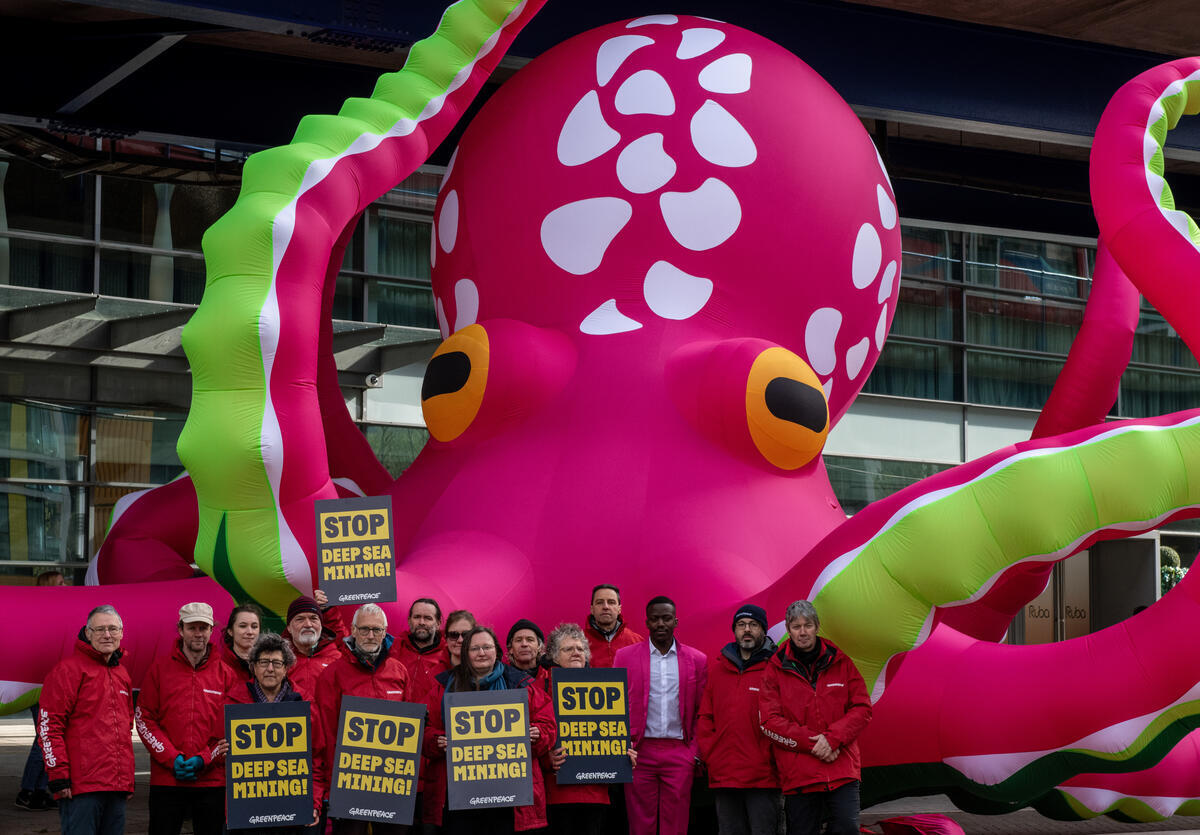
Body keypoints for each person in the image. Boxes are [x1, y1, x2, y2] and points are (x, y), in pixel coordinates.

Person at [423, 626, 556, 834]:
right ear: (465, 653)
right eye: (475, 648)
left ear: (497, 651)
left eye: (487, 647)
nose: (482, 653)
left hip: (510, 798)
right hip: (460, 797)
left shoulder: (519, 684)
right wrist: (436, 740)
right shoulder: (443, 687)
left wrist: (538, 733)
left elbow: (548, 724)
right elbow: (423, 729)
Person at [758, 600, 871, 835]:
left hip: (841, 767)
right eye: (796, 626)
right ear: (788, 630)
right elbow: (769, 722)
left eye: (807, 625)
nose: (802, 632)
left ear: (817, 626)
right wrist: (814, 742)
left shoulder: (841, 661)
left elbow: (862, 707)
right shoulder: (775, 669)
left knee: (847, 828)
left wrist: (832, 739)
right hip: (800, 774)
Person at [136, 602, 238, 835]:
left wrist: (204, 758)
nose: (198, 633)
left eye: (204, 627)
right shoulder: (159, 669)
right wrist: (172, 758)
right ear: (180, 629)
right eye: (192, 628)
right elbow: (145, 719)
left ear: (212, 631)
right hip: (167, 779)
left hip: (212, 781)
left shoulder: (226, 674)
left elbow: (230, 728)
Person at [314, 603, 411, 835]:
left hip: (391, 783)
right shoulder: (332, 674)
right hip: (350, 783)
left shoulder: (398, 670)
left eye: (377, 630)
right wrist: (331, 787)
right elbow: (327, 734)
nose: (370, 635)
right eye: (365, 629)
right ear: (353, 630)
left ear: (385, 632)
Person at [614, 596, 707, 835]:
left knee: (675, 823)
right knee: (639, 822)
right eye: (655, 619)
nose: (660, 624)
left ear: (676, 621)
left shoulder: (697, 660)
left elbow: (702, 710)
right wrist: (623, 745)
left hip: (679, 750)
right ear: (647, 622)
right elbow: (616, 707)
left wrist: (693, 752)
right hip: (638, 752)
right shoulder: (624, 657)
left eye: (666, 618)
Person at [41, 604, 135, 835]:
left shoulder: (122, 673)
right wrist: (59, 776)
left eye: (113, 629)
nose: (107, 635)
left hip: (116, 786)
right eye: (100, 629)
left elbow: (125, 728)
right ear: (88, 632)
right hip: (80, 787)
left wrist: (127, 779)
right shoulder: (68, 671)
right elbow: (49, 727)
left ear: (122, 633)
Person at [697, 604, 780, 835]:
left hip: (763, 776)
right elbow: (705, 716)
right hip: (724, 773)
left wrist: (771, 756)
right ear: (734, 630)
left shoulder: (776, 669)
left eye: (753, 625)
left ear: (763, 630)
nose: (747, 630)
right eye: (741, 625)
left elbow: (785, 718)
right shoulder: (718, 670)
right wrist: (711, 754)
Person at [227, 633, 319, 833]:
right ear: (253, 666)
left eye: (277, 663)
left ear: (286, 668)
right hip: (247, 812)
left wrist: (314, 801)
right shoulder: (233, 702)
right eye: (263, 662)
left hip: (292, 812)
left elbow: (317, 758)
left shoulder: (305, 704)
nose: (270, 669)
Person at [540, 622, 617, 835]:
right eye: (568, 649)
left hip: (596, 793)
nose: (576, 652)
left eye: (580, 649)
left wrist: (623, 753)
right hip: (557, 792)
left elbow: (615, 730)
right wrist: (547, 759)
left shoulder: (605, 687)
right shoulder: (538, 688)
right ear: (554, 656)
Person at [418, 609, 476, 829]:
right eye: (453, 635)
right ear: (445, 637)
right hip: (444, 782)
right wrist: (435, 740)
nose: (460, 640)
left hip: (484, 782)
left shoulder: (490, 672)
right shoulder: (433, 676)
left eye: (466, 634)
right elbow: (420, 726)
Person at [15, 568, 67, 812]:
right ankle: (28, 791)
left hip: (53, 684)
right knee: (44, 737)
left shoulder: (52, 612)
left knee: (50, 736)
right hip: (43, 685)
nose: (65, 586)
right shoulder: (44, 615)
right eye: (60, 582)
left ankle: (38, 790)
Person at [284, 592, 346, 700]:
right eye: (300, 619)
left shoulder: (337, 659)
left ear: (321, 625)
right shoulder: (279, 660)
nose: (308, 624)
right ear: (289, 628)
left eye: (314, 618)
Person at [585, 584, 644, 668]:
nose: (605, 607)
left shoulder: (637, 642)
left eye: (611, 602)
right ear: (592, 609)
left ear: (619, 609)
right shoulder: (579, 642)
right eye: (600, 602)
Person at [221, 602, 263, 677]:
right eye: (243, 626)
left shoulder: (268, 664)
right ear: (230, 631)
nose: (250, 632)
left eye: (254, 626)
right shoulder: (220, 666)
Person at [506, 618, 548, 684]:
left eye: (530, 640)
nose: (524, 644)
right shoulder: (502, 679)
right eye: (518, 640)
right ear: (511, 648)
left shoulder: (551, 677)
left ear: (539, 647)